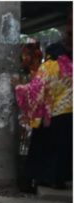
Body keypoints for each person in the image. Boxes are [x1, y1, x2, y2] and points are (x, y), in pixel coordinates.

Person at [16, 39, 73, 190]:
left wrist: (19, 87)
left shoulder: (49, 66)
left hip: (50, 115)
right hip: (69, 114)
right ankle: (58, 179)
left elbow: (36, 89)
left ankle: (41, 178)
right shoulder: (70, 67)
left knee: (42, 147)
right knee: (63, 149)